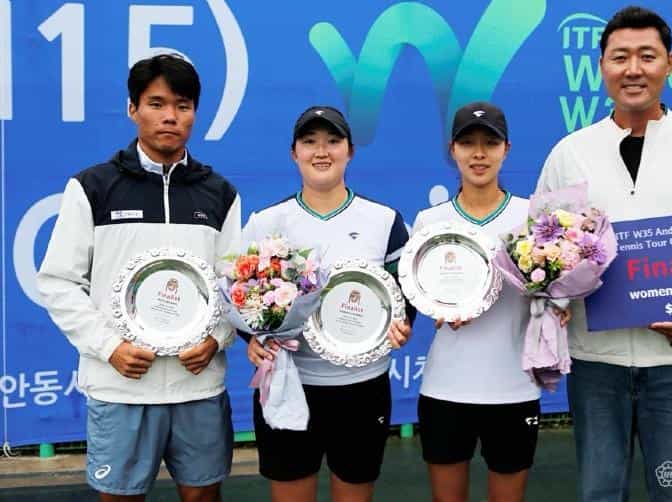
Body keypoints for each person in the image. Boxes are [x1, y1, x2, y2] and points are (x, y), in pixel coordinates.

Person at [536, 6, 672, 501]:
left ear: (670, 64)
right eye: (620, 57)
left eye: (647, 56)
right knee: (600, 493)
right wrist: (553, 295)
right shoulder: (571, 152)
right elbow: (543, 249)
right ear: (601, 66)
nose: (633, 69)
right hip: (596, 362)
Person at [37, 54, 241, 502]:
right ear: (133, 108)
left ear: (195, 112)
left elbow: (235, 288)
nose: (170, 116)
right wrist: (110, 347)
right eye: (156, 103)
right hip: (121, 386)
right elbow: (57, 281)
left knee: (203, 497)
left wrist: (216, 339)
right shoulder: (92, 186)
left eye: (183, 106)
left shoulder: (220, 193)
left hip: (197, 384)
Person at [241, 106, 414, 502]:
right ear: (294, 153)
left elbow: (404, 295)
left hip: (362, 387)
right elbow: (241, 295)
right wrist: (251, 336)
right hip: (288, 382)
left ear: (350, 151)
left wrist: (403, 325)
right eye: (310, 142)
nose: (322, 151)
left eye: (333, 141)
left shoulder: (384, 220)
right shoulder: (266, 223)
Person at [411, 101, 543, 502]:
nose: (479, 154)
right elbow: (418, 296)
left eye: (491, 143)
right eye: (468, 143)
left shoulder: (534, 217)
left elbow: (556, 289)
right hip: (446, 388)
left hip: (514, 388)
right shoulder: (429, 222)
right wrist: (440, 307)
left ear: (507, 149)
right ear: (452, 149)